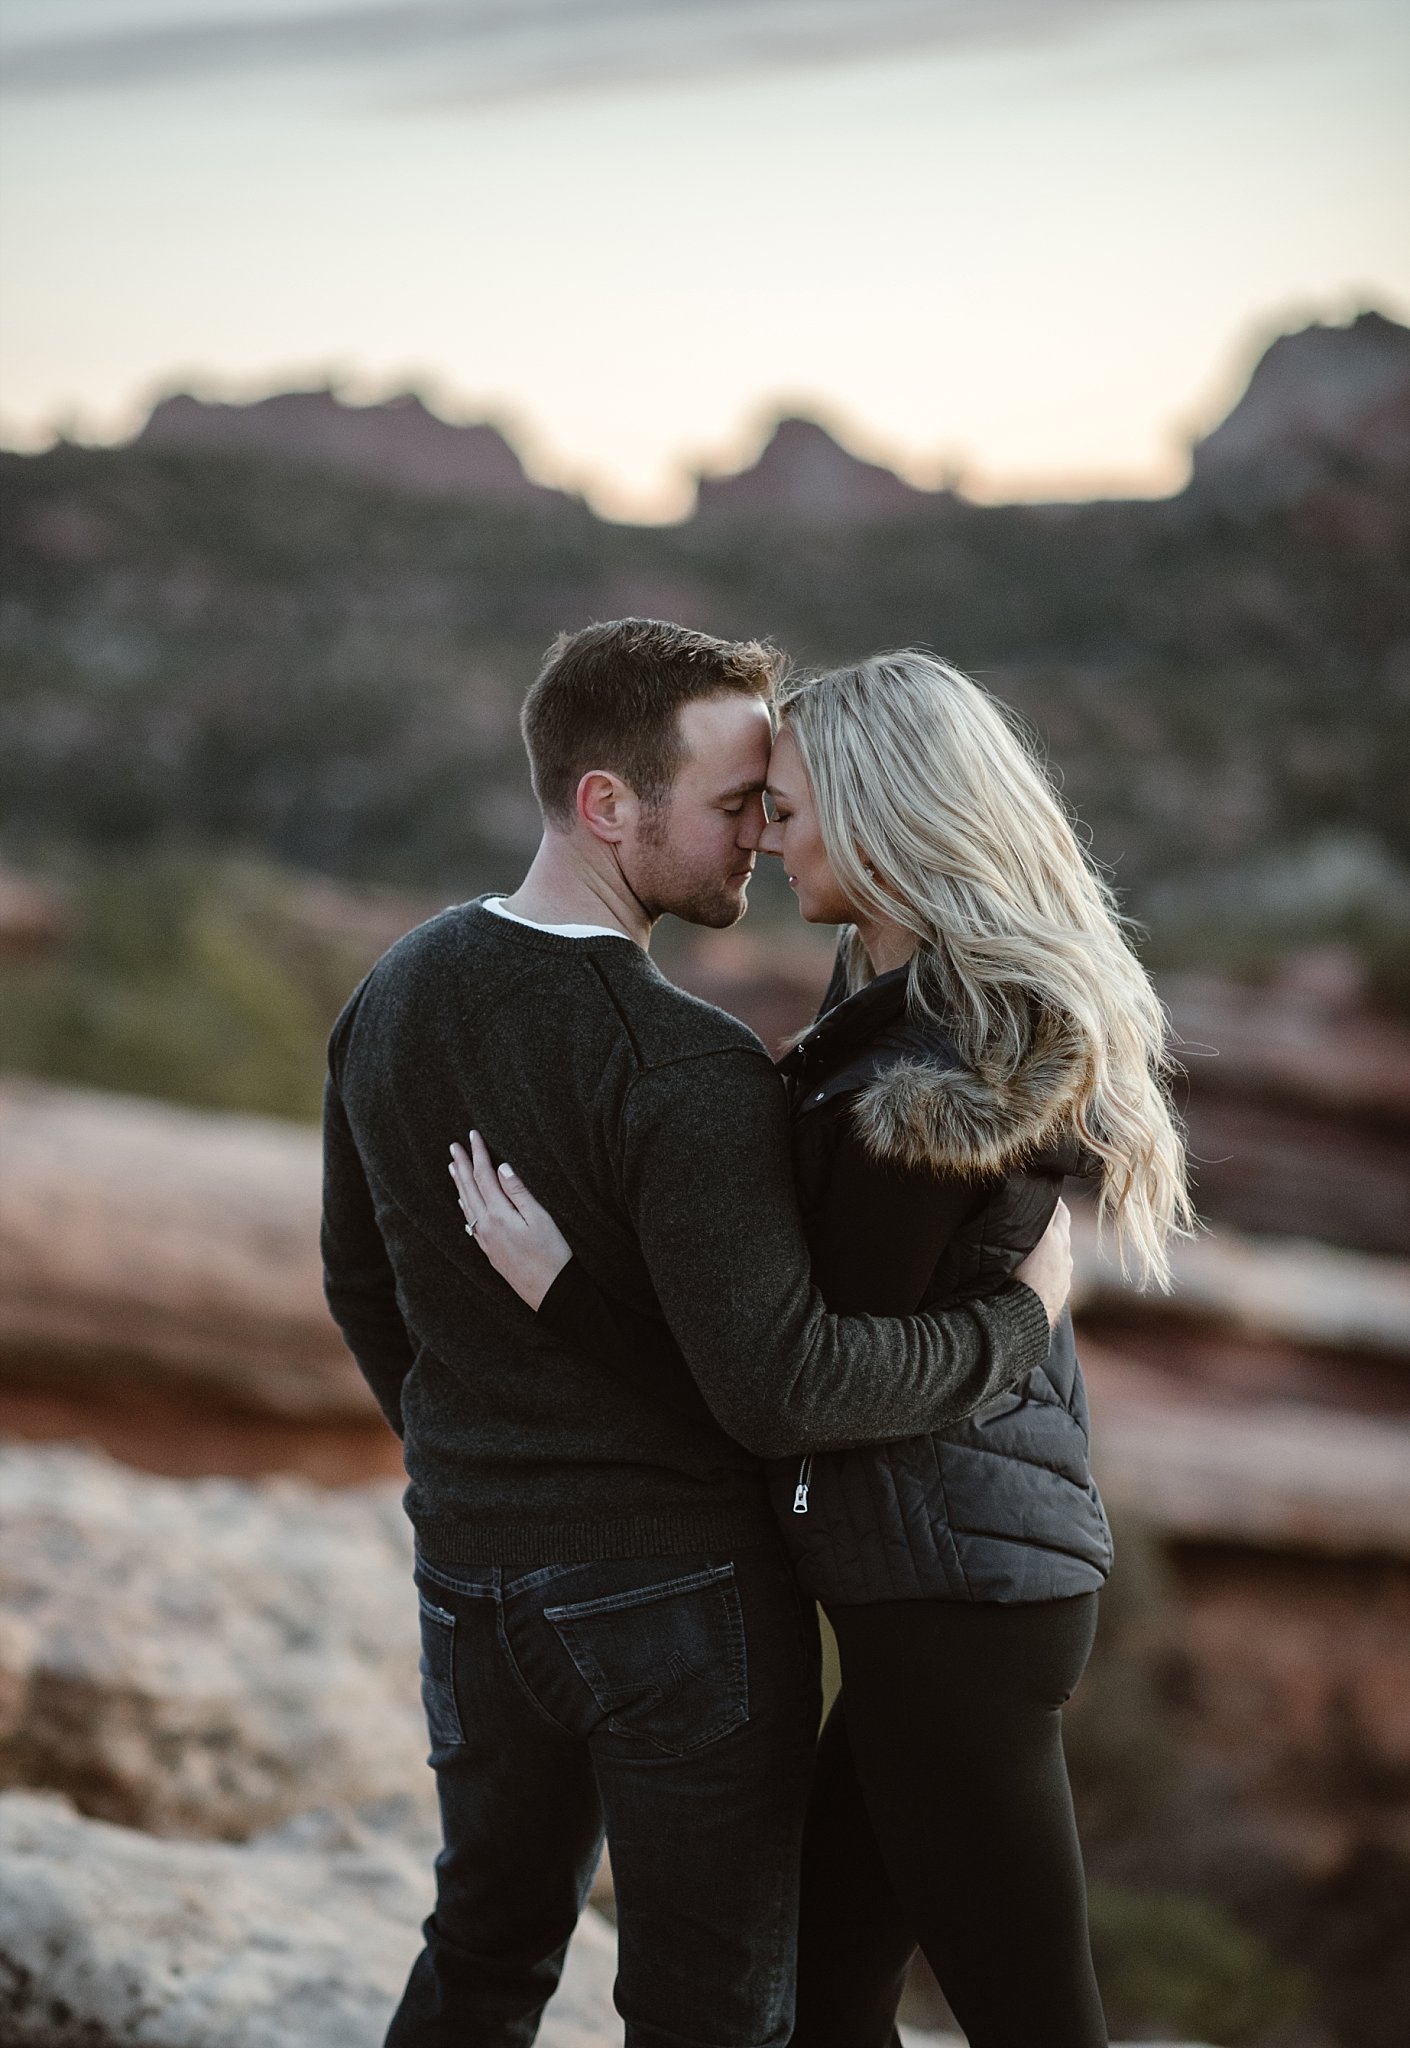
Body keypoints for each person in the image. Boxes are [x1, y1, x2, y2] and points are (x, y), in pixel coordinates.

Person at [321, 619, 1072, 2048]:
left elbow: (361, 1283)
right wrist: (1015, 1323)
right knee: (708, 2004)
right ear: (608, 803)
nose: (760, 840)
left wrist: (471, 1460)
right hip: (675, 1597)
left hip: (468, 1574)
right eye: (736, 804)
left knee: (480, 1949)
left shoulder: (394, 989)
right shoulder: (684, 1063)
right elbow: (780, 1381)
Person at [454, 649, 1193, 2048]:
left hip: (953, 1609)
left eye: (783, 808)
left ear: (876, 814)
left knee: (1031, 2021)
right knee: (823, 2006)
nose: (765, 838)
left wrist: (570, 1290)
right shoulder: (892, 1018)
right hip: (945, 1591)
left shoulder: (932, 1084)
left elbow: (786, 1387)